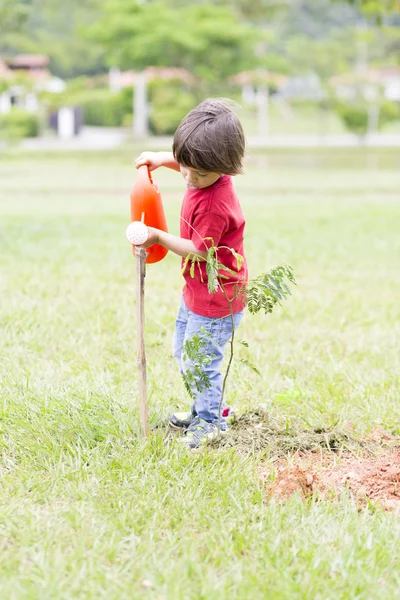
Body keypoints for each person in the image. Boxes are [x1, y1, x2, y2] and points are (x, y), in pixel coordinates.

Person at [134, 98, 247, 449]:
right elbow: (187, 162)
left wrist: (158, 237)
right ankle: (203, 408)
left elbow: (200, 250)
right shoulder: (198, 171)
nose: (189, 177)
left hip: (217, 298)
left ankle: (211, 421)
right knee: (184, 353)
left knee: (199, 361)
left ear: (223, 167)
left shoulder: (215, 204)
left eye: (200, 174)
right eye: (185, 165)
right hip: (197, 291)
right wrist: (160, 158)